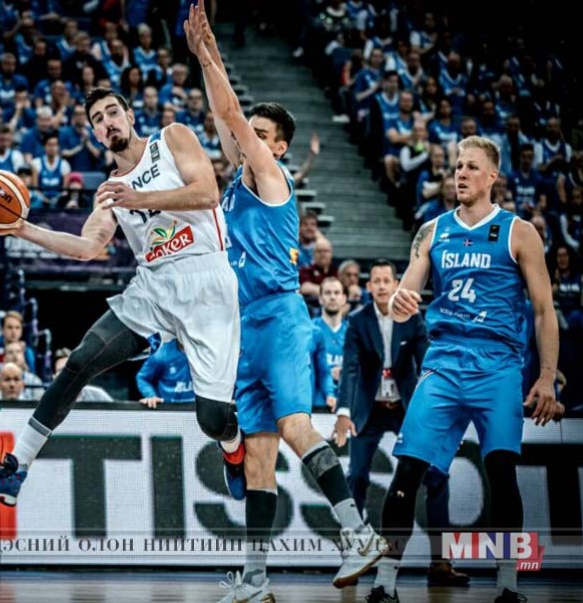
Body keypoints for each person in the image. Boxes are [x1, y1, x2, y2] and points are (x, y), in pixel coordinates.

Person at [0, 85, 242, 509]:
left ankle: (234, 446)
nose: (107, 122)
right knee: (80, 360)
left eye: (112, 112)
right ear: (94, 134)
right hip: (153, 287)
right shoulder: (110, 190)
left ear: (129, 116)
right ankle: (16, 469)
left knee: (213, 419)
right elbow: (87, 247)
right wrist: (22, 229)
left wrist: (139, 198)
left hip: (207, 280)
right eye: (97, 119)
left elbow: (207, 193)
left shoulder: (172, 138)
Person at [184, 5, 383, 600]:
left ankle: (359, 533)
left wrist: (208, 54)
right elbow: (224, 119)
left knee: (296, 427)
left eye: (261, 135)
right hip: (243, 328)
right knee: (258, 460)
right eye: (252, 134)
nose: (249, 139)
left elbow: (229, 116)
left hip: (279, 318)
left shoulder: (272, 181)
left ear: (280, 148)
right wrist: (206, 58)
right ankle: (255, 580)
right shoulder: (239, 180)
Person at [361, 136, 560, 603]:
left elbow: (544, 310)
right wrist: (400, 301)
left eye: (471, 167)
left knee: (502, 472)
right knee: (408, 469)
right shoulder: (432, 231)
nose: (461, 174)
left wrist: (547, 376)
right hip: (445, 362)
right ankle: (385, 583)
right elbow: (404, 296)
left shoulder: (519, 232)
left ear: (493, 176)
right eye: (457, 167)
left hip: (499, 366)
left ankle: (507, 585)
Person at [333, 260, 468, 586]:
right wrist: (343, 411)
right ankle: (353, 557)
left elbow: (428, 364)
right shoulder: (358, 321)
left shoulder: (414, 319)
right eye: (376, 281)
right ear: (368, 287)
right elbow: (350, 368)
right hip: (369, 409)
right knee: (356, 477)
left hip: (406, 408)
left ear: (396, 285)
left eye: (386, 280)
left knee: (436, 474)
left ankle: (441, 561)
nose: (381, 286)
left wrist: (442, 415)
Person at [136, 340, 194, 408]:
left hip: (199, 408)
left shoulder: (204, 354)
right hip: (167, 408)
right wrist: (151, 395)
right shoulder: (160, 354)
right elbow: (143, 378)